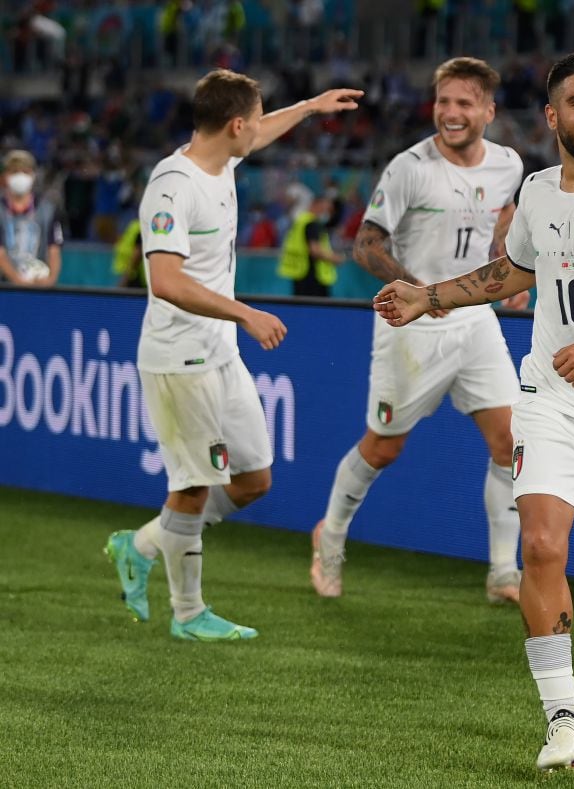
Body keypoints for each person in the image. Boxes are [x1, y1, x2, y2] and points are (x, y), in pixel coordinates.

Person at [374, 51, 574, 771]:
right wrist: (427, 295)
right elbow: (516, 271)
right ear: (552, 116)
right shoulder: (537, 191)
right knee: (544, 544)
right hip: (551, 396)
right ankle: (560, 717)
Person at [104, 69, 363, 641]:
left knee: (252, 479)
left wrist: (311, 106)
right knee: (193, 486)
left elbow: (263, 130)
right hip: (179, 358)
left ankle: (140, 544)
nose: (259, 130)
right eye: (255, 118)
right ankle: (188, 613)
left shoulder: (222, 158)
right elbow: (167, 280)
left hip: (218, 352)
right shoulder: (172, 187)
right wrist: (244, 312)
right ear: (234, 124)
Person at [308, 57, 528, 605]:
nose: (450, 113)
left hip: (475, 320)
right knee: (383, 449)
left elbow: (501, 220)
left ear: (487, 110)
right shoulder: (409, 167)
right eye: (443, 102)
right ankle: (329, 535)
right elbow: (366, 245)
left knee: (511, 444)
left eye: (463, 103)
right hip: (410, 325)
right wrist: (418, 294)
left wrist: (507, 268)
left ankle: (503, 571)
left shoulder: (508, 164)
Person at [0, 149, 63, 287]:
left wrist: (50, 280)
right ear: (4, 176)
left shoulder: (47, 210)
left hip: (38, 286)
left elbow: (54, 249)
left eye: (25, 171)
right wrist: (17, 280)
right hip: (4, 288)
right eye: (14, 171)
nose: (20, 176)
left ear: (33, 175)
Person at [277, 194, 345, 297]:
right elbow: (315, 250)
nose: (327, 213)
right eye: (326, 209)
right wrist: (335, 258)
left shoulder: (301, 221)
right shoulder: (312, 224)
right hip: (313, 279)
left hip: (301, 275)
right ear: (316, 205)